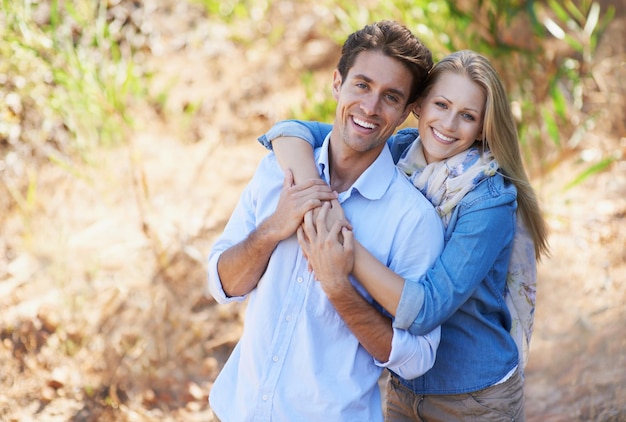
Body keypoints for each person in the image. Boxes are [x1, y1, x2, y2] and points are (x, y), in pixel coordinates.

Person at [258, 49, 550, 420]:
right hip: (402, 384)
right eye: (441, 105)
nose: (448, 124)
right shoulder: (399, 149)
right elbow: (289, 132)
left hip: (473, 398)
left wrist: (341, 241)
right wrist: (319, 198)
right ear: (419, 105)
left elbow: (427, 308)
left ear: (482, 128)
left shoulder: (487, 199)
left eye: (467, 116)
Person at [207, 21, 445, 421]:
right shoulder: (276, 171)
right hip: (236, 410)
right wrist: (271, 229)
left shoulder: (413, 220)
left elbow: (417, 358)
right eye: (362, 85)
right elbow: (221, 284)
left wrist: (339, 288)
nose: (370, 108)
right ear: (337, 83)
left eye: (391, 97)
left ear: (407, 112)